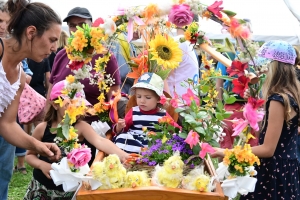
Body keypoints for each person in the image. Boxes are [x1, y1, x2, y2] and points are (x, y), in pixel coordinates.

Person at [211, 40, 300, 199]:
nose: (260, 73)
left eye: (263, 69)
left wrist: (226, 152)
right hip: (286, 168)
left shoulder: (278, 99)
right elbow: (264, 131)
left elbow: (268, 148)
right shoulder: (290, 93)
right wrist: (254, 103)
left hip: (274, 172)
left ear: (273, 68)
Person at [24, 80, 129, 199]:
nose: (76, 109)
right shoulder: (42, 128)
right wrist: (41, 165)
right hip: (42, 187)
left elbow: (100, 141)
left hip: (70, 191)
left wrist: (124, 156)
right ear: (55, 104)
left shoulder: (82, 127)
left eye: (79, 105)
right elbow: (29, 155)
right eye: (70, 104)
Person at [0, 0, 62, 199]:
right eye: (52, 39)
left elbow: (7, 124)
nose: (54, 48)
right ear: (31, 32)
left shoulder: (19, 75)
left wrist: (39, 146)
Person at [47, 7, 121, 124]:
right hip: (61, 129)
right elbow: (51, 94)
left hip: (94, 129)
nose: (77, 29)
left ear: (91, 26)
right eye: (72, 25)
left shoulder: (106, 57)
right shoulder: (61, 55)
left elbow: (114, 98)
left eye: (82, 24)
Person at [112, 72, 176, 153]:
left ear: (158, 99)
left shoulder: (163, 114)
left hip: (154, 143)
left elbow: (174, 129)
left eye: (148, 97)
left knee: (169, 143)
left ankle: (148, 156)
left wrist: (175, 133)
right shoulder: (134, 112)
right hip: (135, 141)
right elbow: (123, 129)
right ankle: (136, 155)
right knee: (122, 137)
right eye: (139, 96)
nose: (142, 101)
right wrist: (119, 126)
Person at [166, 15, 199, 97]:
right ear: (195, 25)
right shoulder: (180, 43)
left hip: (186, 104)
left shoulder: (186, 43)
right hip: (178, 105)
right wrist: (169, 102)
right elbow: (163, 76)